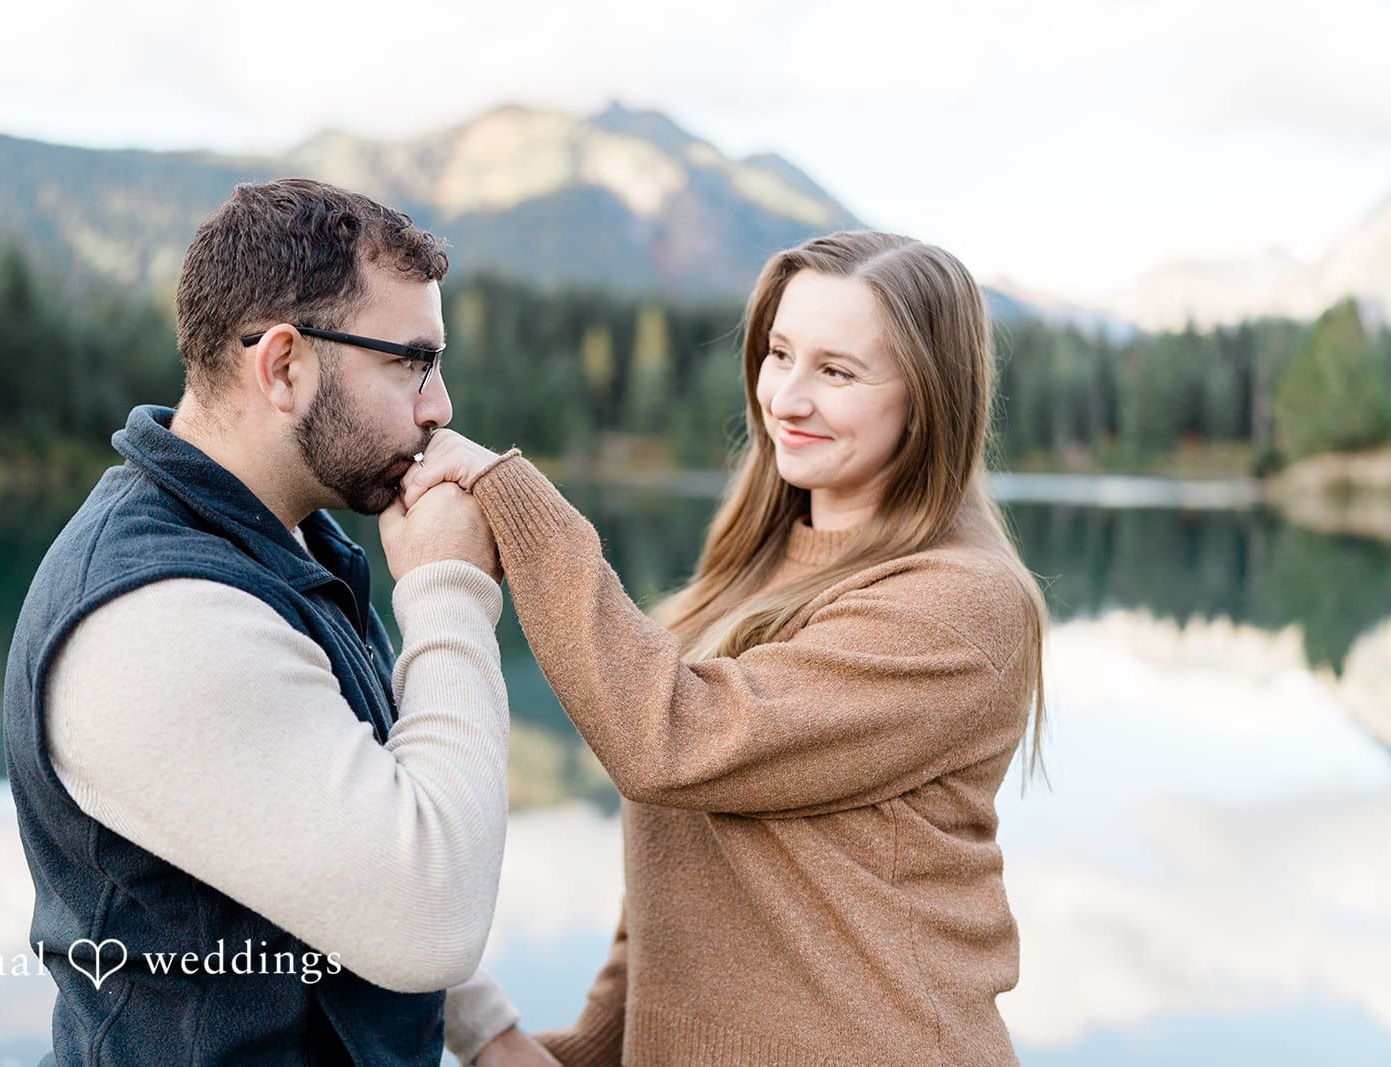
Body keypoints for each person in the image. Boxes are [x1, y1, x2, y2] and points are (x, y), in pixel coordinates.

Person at [404, 231, 1049, 1066]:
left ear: (928, 398)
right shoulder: (751, 571)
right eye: (780, 353)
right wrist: (597, 1045)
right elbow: (686, 866)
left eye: (838, 371)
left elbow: (675, 741)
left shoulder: (961, 605)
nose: (787, 396)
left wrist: (511, 501)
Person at [3, 179, 517, 1065]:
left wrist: (496, 1037)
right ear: (283, 366)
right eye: (412, 362)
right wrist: (449, 592)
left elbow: (347, 826)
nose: (441, 407)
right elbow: (423, 911)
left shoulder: (287, 544)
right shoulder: (161, 621)